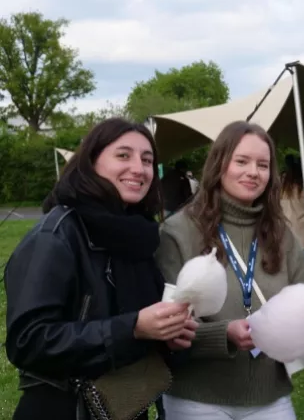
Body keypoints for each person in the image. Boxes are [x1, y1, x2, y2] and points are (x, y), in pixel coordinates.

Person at [4, 118, 197, 420]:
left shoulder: (139, 235)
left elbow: (136, 327)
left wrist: (165, 337)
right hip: (63, 410)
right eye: (123, 155)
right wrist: (132, 327)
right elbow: (28, 342)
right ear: (91, 162)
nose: (138, 168)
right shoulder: (55, 236)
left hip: (124, 406)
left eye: (147, 160)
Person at [155, 120, 304, 420]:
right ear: (219, 164)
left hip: (270, 396)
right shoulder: (178, 231)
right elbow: (164, 324)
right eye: (242, 161)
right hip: (197, 398)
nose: (253, 172)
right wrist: (223, 333)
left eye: (263, 164)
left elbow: (300, 301)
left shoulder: (282, 233)